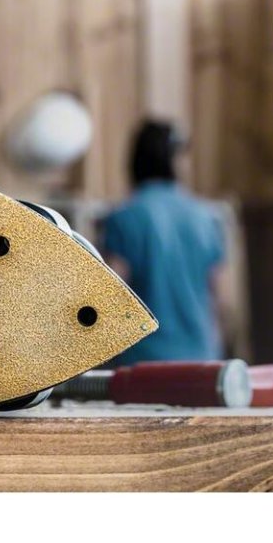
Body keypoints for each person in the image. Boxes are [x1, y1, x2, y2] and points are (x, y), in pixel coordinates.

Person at [101, 121, 227, 363]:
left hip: (142, 362)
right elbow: (222, 300)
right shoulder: (205, 217)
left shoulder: (124, 217)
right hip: (201, 359)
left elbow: (111, 297)